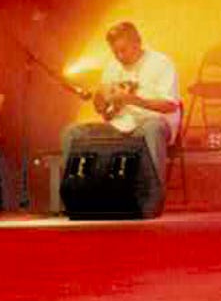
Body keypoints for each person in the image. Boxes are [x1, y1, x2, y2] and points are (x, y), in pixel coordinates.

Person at [60, 22, 180, 196]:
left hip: (153, 121)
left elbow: (170, 105)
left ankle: (152, 195)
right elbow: (106, 115)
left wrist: (133, 100)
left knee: (152, 129)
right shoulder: (112, 67)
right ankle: (79, 195)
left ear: (137, 43)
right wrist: (100, 101)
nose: (119, 56)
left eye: (123, 50)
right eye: (115, 51)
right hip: (121, 124)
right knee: (72, 133)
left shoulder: (160, 62)